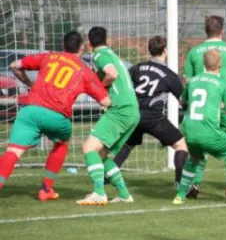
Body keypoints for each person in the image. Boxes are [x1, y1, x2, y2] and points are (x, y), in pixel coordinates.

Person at [0, 31, 110, 199]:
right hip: (57, 117)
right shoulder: (84, 70)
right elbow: (105, 101)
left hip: (30, 111)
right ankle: (46, 189)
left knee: (13, 151)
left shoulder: (48, 57)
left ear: (63, 46)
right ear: (82, 48)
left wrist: (29, 83)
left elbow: (15, 65)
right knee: (62, 142)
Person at [172, 49, 226, 205]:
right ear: (220, 64)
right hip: (209, 131)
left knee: (194, 159)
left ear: (203, 63)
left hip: (189, 131)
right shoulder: (221, 84)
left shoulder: (193, 81)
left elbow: (181, 102)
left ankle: (180, 195)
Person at [110, 36, 188, 184]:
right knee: (181, 145)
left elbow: (123, 86)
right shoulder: (170, 75)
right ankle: (180, 182)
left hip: (133, 114)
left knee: (127, 145)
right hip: (153, 117)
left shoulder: (136, 68)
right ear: (165, 50)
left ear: (150, 50)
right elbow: (182, 101)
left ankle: (108, 175)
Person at [183, 15, 226, 199]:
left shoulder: (194, 52)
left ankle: (194, 183)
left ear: (205, 30)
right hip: (225, 107)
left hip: (201, 111)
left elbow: (187, 81)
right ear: (222, 31)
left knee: (198, 149)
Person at [77, 26, 140, 205]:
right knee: (102, 154)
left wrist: (100, 88)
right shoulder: (113, 55)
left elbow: (111, 74)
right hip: (132, 111)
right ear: (108, 40)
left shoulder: (100, 55)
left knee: (89, 148)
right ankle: (124, 194)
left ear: (89, 43)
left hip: (120, 109)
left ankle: (99, 192)